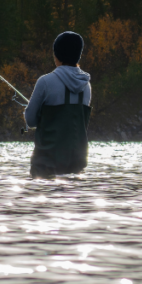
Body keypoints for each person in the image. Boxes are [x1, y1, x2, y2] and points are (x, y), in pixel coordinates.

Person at [24, 31, 92, 178]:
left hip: (46, 165)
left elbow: (30, 121)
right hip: (76, 165)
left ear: (56, 54)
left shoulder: (45, 82)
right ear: (78, 55)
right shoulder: (86, 86)